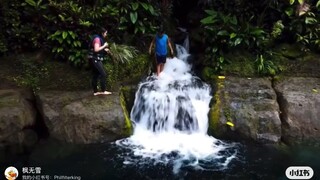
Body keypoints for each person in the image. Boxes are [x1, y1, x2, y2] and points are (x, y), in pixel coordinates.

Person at [88, 28, 112, 96]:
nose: (106, 35)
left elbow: (97, 49)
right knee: (103, 74)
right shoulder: (97, 39)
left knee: (96, 75)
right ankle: (103, 91)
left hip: (93, 59)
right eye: (105, 33)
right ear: (102, 33)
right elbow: (96, 49)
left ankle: (95, 92)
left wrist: (105, 50)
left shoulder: (97, 38)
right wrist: (104, 46)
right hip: (95, 59)